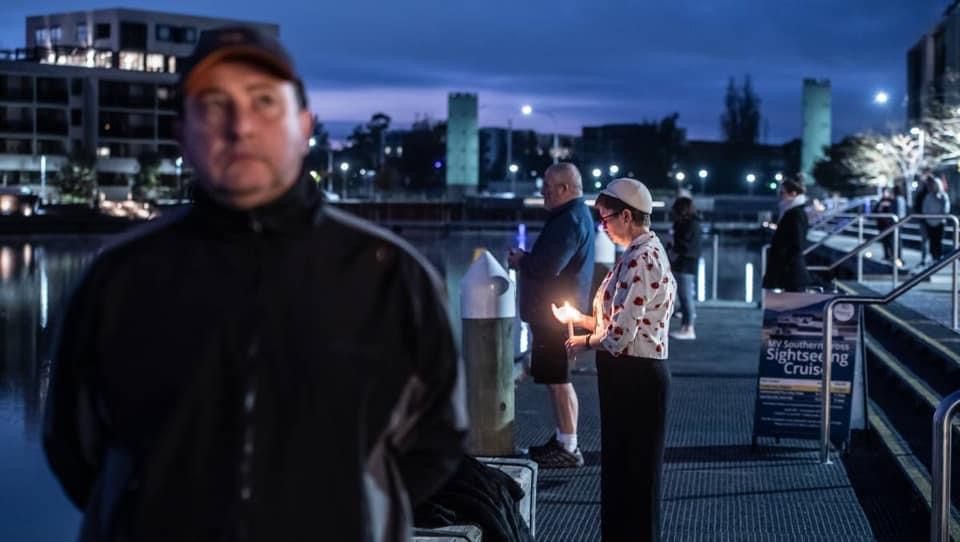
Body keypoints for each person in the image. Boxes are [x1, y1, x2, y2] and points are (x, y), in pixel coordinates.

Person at [43, 26, 466, 542]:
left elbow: (437, 440)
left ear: (304, 126)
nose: (239, 126)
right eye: (213, 104)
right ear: (181, 133)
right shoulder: (118, 281)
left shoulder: (390, 276)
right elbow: (73, 447)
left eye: (264, 102)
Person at [552, 178, 675, 541]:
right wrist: (579, 317)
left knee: (634, 476)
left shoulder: (640, 260)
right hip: (631, 373)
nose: (601, 226)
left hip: (635, 376)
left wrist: (584, 340)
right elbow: (624, 320)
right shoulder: (644, 251)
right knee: (625, 472)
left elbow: (620, 336)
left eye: (605, 219)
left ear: (626, 215)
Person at [507, 162, 594, 469]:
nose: (543, 192)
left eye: (547, 187)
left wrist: (521, 259)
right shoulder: (572, 216)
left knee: (558, 380)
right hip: (556, 313)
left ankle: (569, 446)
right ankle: (563, 439)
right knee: (556, 378)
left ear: (565, 189)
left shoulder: (569, 220)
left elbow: (548, 266)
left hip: (556, 315)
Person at [762, 178, 812, 291]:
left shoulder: (795, 213)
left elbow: (798, 242)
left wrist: (786, 259)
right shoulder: (790, 211)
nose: (779, 196)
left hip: (791, 271)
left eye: (782, 193)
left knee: (793, 302)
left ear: (793, 193)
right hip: (789, 270)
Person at [668, 196, 700, 340]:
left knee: (686, 297)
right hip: (685, 262)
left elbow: (685, 244)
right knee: (683, 296)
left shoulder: (689, 224)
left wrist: (674, 249)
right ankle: (685, 326)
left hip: (686, 262)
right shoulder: (690, 223)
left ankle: (689, 328)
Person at [923, 175, 951, 262]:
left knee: (938, 241)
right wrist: (929, 219)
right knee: (931, 241)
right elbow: (925, 209)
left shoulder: (943, 196)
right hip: (930, 223)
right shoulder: (928, 196)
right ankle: (932, 257)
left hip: (940, 222)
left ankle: (938, 258)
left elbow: (946, 209)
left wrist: (939, 218)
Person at [913, 171, 932, 266]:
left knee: (928, 240)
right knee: (925, 240)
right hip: (924, 220)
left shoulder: (929, 193)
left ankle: (929, 258)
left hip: (931, 219)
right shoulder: (921, 193)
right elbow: (916, 205)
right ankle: (925, 258)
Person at [874, 187, 897, 262]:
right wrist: (881, 206)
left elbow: (894, 211)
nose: (884, 194)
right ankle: (886, 255)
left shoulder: (892, 200)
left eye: (886, 192)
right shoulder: (880, 201)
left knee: (891, 241)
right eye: (883, 192)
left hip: (889, 224)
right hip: (882, 225)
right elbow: (875, 211)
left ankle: (893, 256)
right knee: (884, 241)